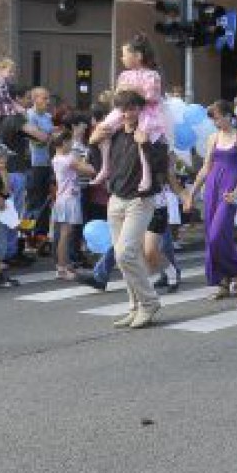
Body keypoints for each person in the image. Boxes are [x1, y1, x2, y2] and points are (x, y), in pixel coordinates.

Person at [92, 90, 170, 329]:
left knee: (126, 253)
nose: (127, 113)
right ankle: (135, 306)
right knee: (124, 256)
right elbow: (98, 159)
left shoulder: (152, 133)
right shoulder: (114, 132)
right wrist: (93, 140)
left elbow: (161, 166)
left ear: (140, 109)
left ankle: (149, 302)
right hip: (116, 198)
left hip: (140, 200)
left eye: (132, 108)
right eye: (123, 109)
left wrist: (145, 143)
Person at [185, 101, 237, 299]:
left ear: (228, 115)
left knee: (217, 234)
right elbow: (206, 167)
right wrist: (191, 194)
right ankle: (223, 280)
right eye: (213, 119)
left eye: (217, 118)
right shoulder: (213, 138)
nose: (215, 122)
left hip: (229, 191)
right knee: (215, 236)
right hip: (212, 188)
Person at [91, 35, 170, 192]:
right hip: (124, 108)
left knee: (142, 137)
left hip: (146, 110)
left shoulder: (152, 75)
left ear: (138, 56)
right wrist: (117, 95)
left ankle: (146, 174)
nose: (122, 58)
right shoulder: (124, 75)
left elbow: (153, 96)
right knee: (104, 128)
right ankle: (105, 167)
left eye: (124, 54)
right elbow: (118, 95)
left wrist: (134, 89)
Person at [50, 131, 94, 280]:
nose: (71, 145)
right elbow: (90, 171)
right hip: (69, 199)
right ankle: (61, 268)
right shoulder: (68, 159)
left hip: (63, 198)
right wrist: (84, 159)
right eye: (69, 142)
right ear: (63, 143)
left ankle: (64, 265)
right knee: (65, 234)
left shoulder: (56, 158)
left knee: (65, 234)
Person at [23, 86, 54, 251]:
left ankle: (41, 236)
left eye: (48, 98)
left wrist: (46, 137)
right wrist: (48, 137)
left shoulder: (48, 116)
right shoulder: (29, 115)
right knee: (32, 202)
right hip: (33, 164)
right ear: (34, 99)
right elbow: (36, 141)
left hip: (47, 163)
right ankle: (27, 237)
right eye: (44, 98)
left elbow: (46, 139)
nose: (48, 101)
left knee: (45, 201)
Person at [0, 143, 19, 287]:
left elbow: (6, 191)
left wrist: (3, 172)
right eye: (4, 157)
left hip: (0, 212)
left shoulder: (1, 170)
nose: (6, 160)